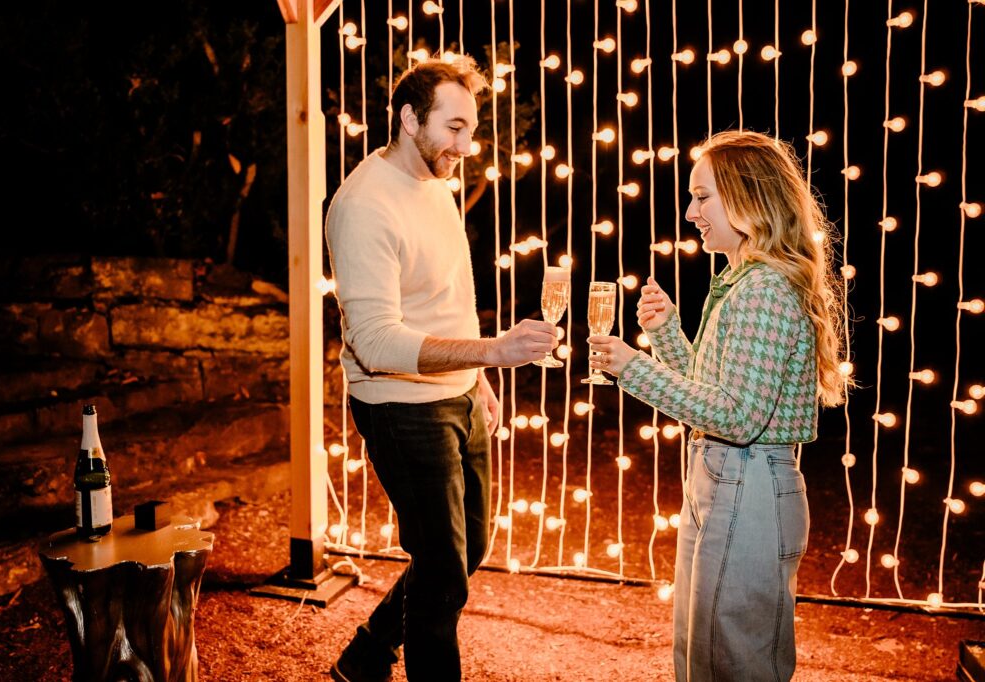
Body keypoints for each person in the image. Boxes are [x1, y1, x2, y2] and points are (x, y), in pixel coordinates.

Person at [324, 55, 558, 682]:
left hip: (457, 393)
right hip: (399, 406)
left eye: (471, 129)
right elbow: (374, 341)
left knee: (469, 545)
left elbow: (445, 301)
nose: (467, 145)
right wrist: (490, 351)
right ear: (408, 119)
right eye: (454, 128)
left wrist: (476, 378)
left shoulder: (436, 183)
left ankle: (368, 652)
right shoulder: (364, 205)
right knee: (442, 566)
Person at [588, 130, 846, 681]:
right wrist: (666, 335)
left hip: (748, 485)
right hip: (723, 477)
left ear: (749, 197)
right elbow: (715, 392)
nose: (690, 212)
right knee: (702, 652)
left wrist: (632, 367)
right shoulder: (740, 280)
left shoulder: (765, 290)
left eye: (702, 197)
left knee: (734, 661)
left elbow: (737, 417)